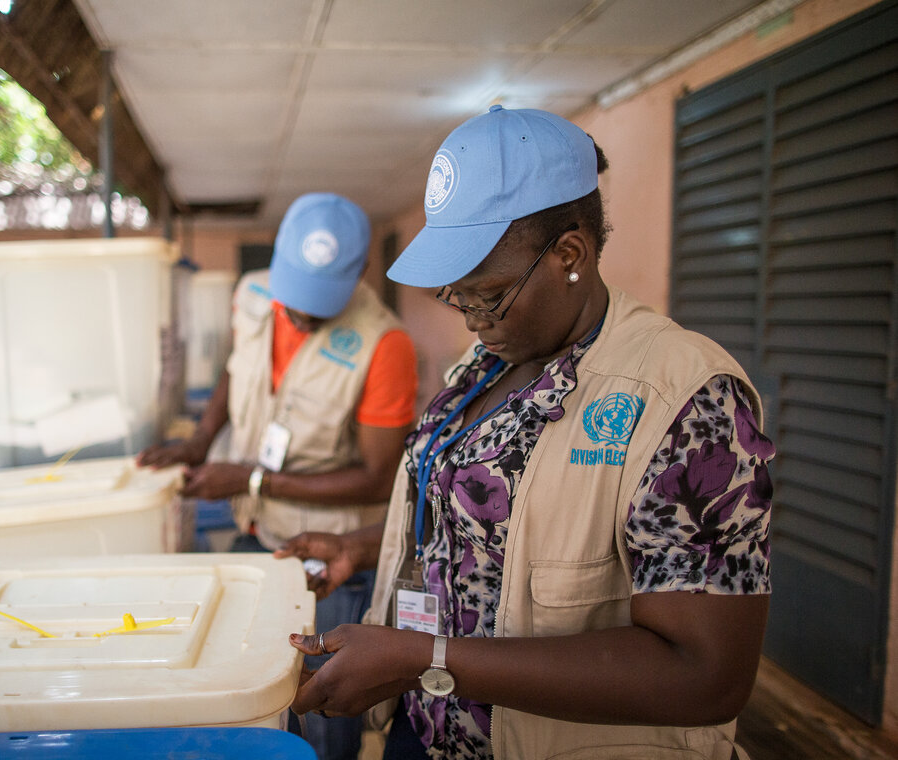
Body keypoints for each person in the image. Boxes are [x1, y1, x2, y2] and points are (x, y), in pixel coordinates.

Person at [276, 107, 775, 760]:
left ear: (570, 253)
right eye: (456, 295)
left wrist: (428, 656)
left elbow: (705, 676)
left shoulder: (688, 399)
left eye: (487, 294)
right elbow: (501, 521)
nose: (471, 318)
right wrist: (363, 547)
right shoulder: (487, 363)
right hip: (425, 729)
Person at [138, 191, 418, 760]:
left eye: (321, 302)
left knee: (319, 710)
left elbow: (375, 478)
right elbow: (232, 371)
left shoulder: (384, 345)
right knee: (252, 696)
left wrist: (251, 479)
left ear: (360, 273)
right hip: (259, 538)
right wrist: (197, 440)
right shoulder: (254, 296)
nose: (302, 314)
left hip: (330, 566)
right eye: (296, 294)